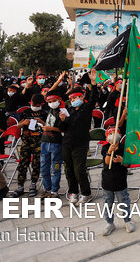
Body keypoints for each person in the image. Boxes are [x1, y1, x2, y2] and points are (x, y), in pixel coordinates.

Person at [59, 69, 98, 204]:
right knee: (68, 170)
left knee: (79, 170)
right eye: (71, 99)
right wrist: (62, 120)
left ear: (81, 97)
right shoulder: (68, 111)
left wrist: (93, 83)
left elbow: (94, 98)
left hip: (80, 144)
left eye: (76, 98)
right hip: (67, 143)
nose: (73, 100)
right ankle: (74, 192)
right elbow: (62, 128)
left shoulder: (86, 108)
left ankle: (86, 193)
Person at [9, 93, 46, 198]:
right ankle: (20, 186)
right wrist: (24, 123)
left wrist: (41, 122)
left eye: (38, 105)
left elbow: (48, 126)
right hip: (26, 141)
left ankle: (33, 184)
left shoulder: (44, 112)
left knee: (36, 164)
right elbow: (18, 126)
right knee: (22, 164)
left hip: (39, 141)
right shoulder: (26, 112)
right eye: (34, 104)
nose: (35, 106)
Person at [101, 127, 135, 235]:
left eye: (114, 133)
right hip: (107, 181)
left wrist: (122, 161)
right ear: (106, 137)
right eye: (110, 133)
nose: (112, 135)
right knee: (108, 203)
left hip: (120, 180)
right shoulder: (105, 147)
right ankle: (110, 223)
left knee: (124, 202)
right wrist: (110, 151)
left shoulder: (124, 148)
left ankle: (127, 221)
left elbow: (127, 164)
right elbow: (106, 162)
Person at [40, 90, 64, 199]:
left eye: (54, 100)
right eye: (50, 101)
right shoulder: (49, 110)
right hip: (45, 141)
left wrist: (50, 128)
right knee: (44, 167)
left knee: (56, 168)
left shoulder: (62, 112)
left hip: (56, 143)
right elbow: (45, 95)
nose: (52, 102)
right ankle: (47, 189)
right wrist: (42, 122)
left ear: (59, 100)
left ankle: (54, 191)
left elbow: (63, 129)